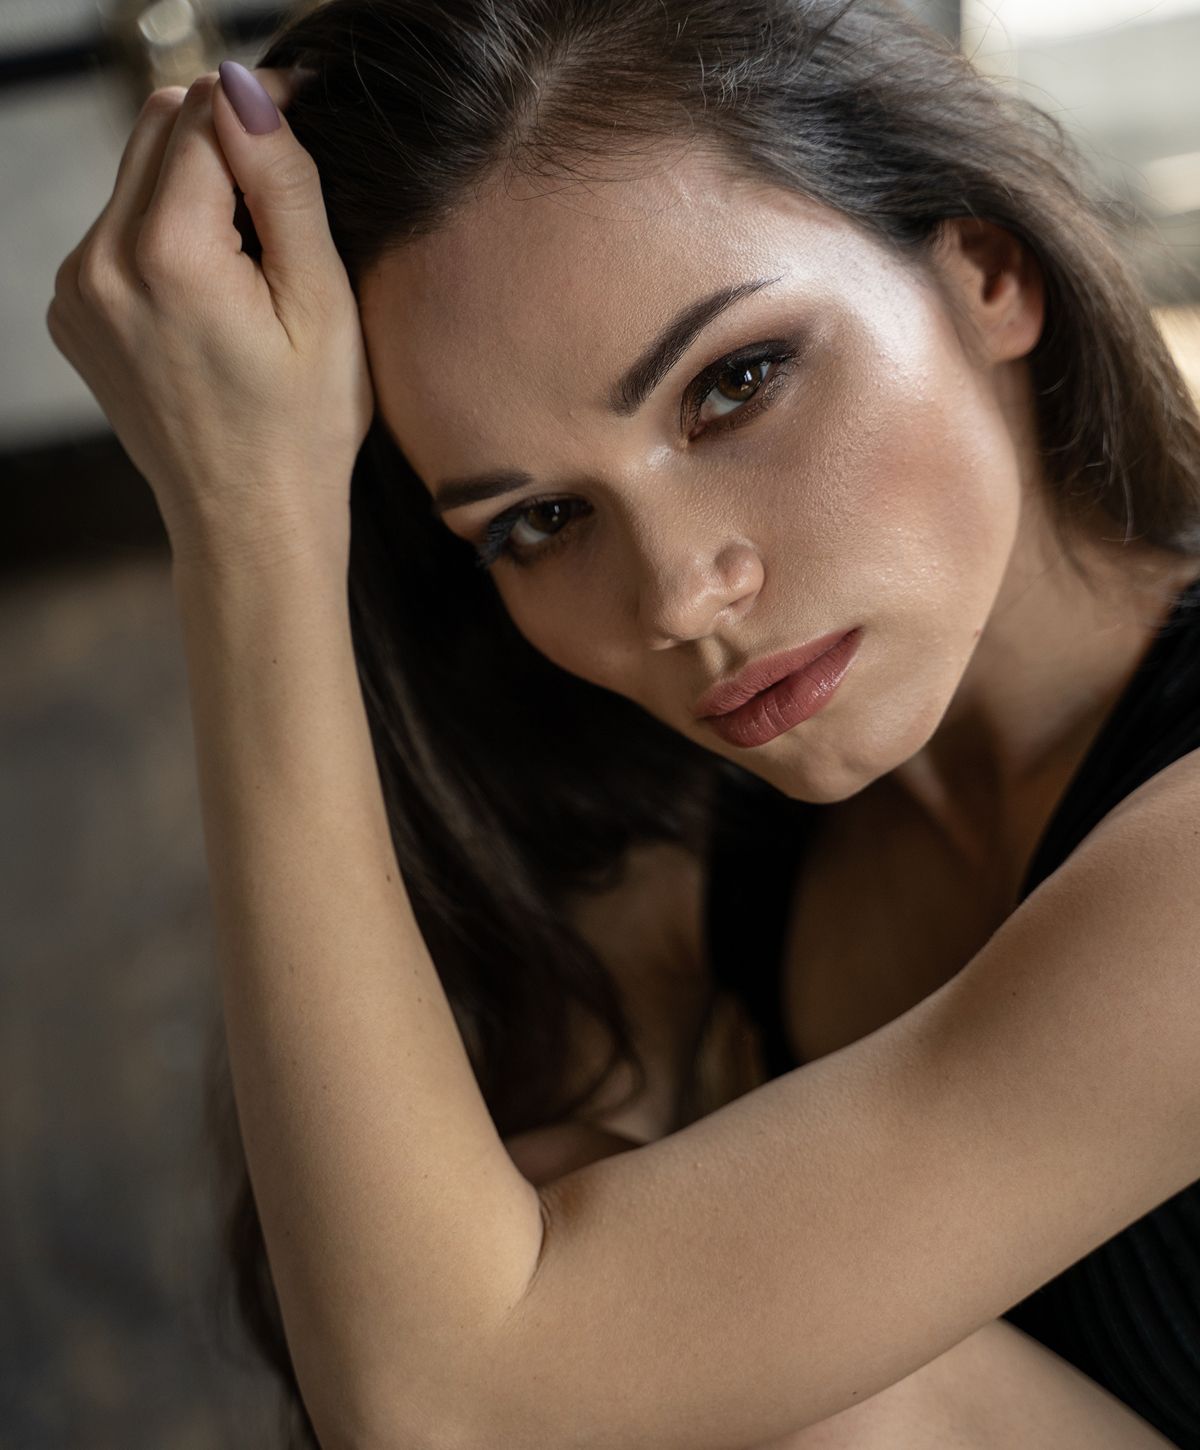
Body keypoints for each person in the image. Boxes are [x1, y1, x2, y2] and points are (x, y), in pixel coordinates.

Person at [47, 1, 1200, 1446]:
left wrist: (242, 521)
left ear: (985, 273)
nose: (676, 591)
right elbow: (407, 1327)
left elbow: (455, 1405)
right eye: (540, 520)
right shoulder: (690, 889)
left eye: (736, 380)